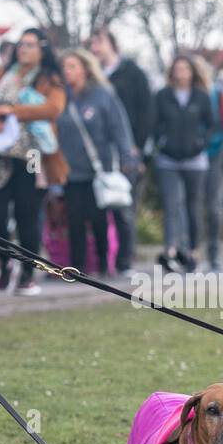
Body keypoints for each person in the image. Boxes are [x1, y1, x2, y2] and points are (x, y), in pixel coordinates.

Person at [0, 27, 68, 295]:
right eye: (21, 44)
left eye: (30, 44)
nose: (23, 49)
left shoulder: (50, 79)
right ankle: (5, 261)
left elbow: (53, 109)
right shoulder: (0, 74)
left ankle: (27, 272)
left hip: (33, 156)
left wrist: (13, 112)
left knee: (28, 215)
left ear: (42, 49)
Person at [56, 48, 138, 276]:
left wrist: (126, 157)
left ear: (85, 69)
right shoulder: (60, 97)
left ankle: (104, 265)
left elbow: (118, 127)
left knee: (98, 218)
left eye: (72, 66)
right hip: (70, 170)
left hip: (98, 169)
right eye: (65, 67)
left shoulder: (102, 94)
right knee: (74, 221)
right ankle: (76, 269)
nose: (67, 71)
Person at [88, 28, 152, 274]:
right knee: (100, 208)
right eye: (92, 44)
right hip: (99, 154)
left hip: (127, 150)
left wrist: (137, 146)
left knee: (124, 206)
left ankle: (125, 261)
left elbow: (146, 111)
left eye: (99, 42)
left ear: (112, 44)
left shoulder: (132, 74)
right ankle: (103, 261)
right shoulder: (93, 78)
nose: (95, 48)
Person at [151, 55, 214, 272]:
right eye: (177, 69)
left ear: (192, 72)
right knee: (171, 205)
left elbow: (211, 125)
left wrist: (200, 143)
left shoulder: (201, 97)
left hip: (195, 160)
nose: (181, 73)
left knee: (192, 205)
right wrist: (162, 141)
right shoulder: (162, 96)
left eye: (185, 69)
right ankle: (170, 250)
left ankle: (192, 251)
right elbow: (155, 123)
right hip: (168, 159)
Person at [193, 56, 223, 271]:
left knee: (213, 206)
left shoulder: (217, 96)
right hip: (190, 155)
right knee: (191, 206)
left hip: (215, 155)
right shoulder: (186, 97)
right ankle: (192, 252)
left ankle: (214, 252)